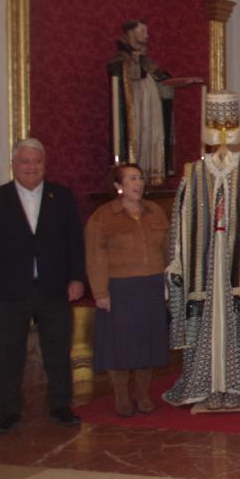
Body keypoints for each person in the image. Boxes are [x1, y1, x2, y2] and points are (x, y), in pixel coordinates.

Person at [163, 91, 240, 410]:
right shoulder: (194, 173)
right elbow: (181, 219)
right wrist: (177, 259)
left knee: (239, 318)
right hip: (204, 261)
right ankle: (208, 383)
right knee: (208, 320)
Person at [0, 139, 85, 433]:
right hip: (11, 290)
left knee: (57, 350)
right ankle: (8, 411)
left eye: (37, 162)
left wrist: (76, 278)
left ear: (44, 164)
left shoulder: (61, 196)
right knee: (10, 352)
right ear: (14, 164)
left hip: (54, 288)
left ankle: (60, 405)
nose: (31, 167)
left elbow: (75, 241)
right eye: (25, 162)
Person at [85, 163, 171, 416]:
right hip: (120, 287)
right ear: (118, 186)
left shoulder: (156, 211)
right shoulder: (103, 216)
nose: (138, 183)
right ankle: (122, 397)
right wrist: (100, 292)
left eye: (141, 178)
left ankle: (143, 395)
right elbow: (94, 255)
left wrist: (167, 284)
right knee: (119, 346)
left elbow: (166, 251)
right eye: (132, 178)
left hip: (151, 285)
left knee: (148, 344)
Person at [107, 20, 174, 186]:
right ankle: (135, 169)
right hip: (135, 108)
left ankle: (151, 172)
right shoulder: (121, 60)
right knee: (138, 135)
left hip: (151, 109)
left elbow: (160, 78)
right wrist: (133, 64)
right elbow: (123, 79)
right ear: (131, 33)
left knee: (151, 133)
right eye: (142, 31)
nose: (147, 35)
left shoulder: (146, 61)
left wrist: (172, 84)